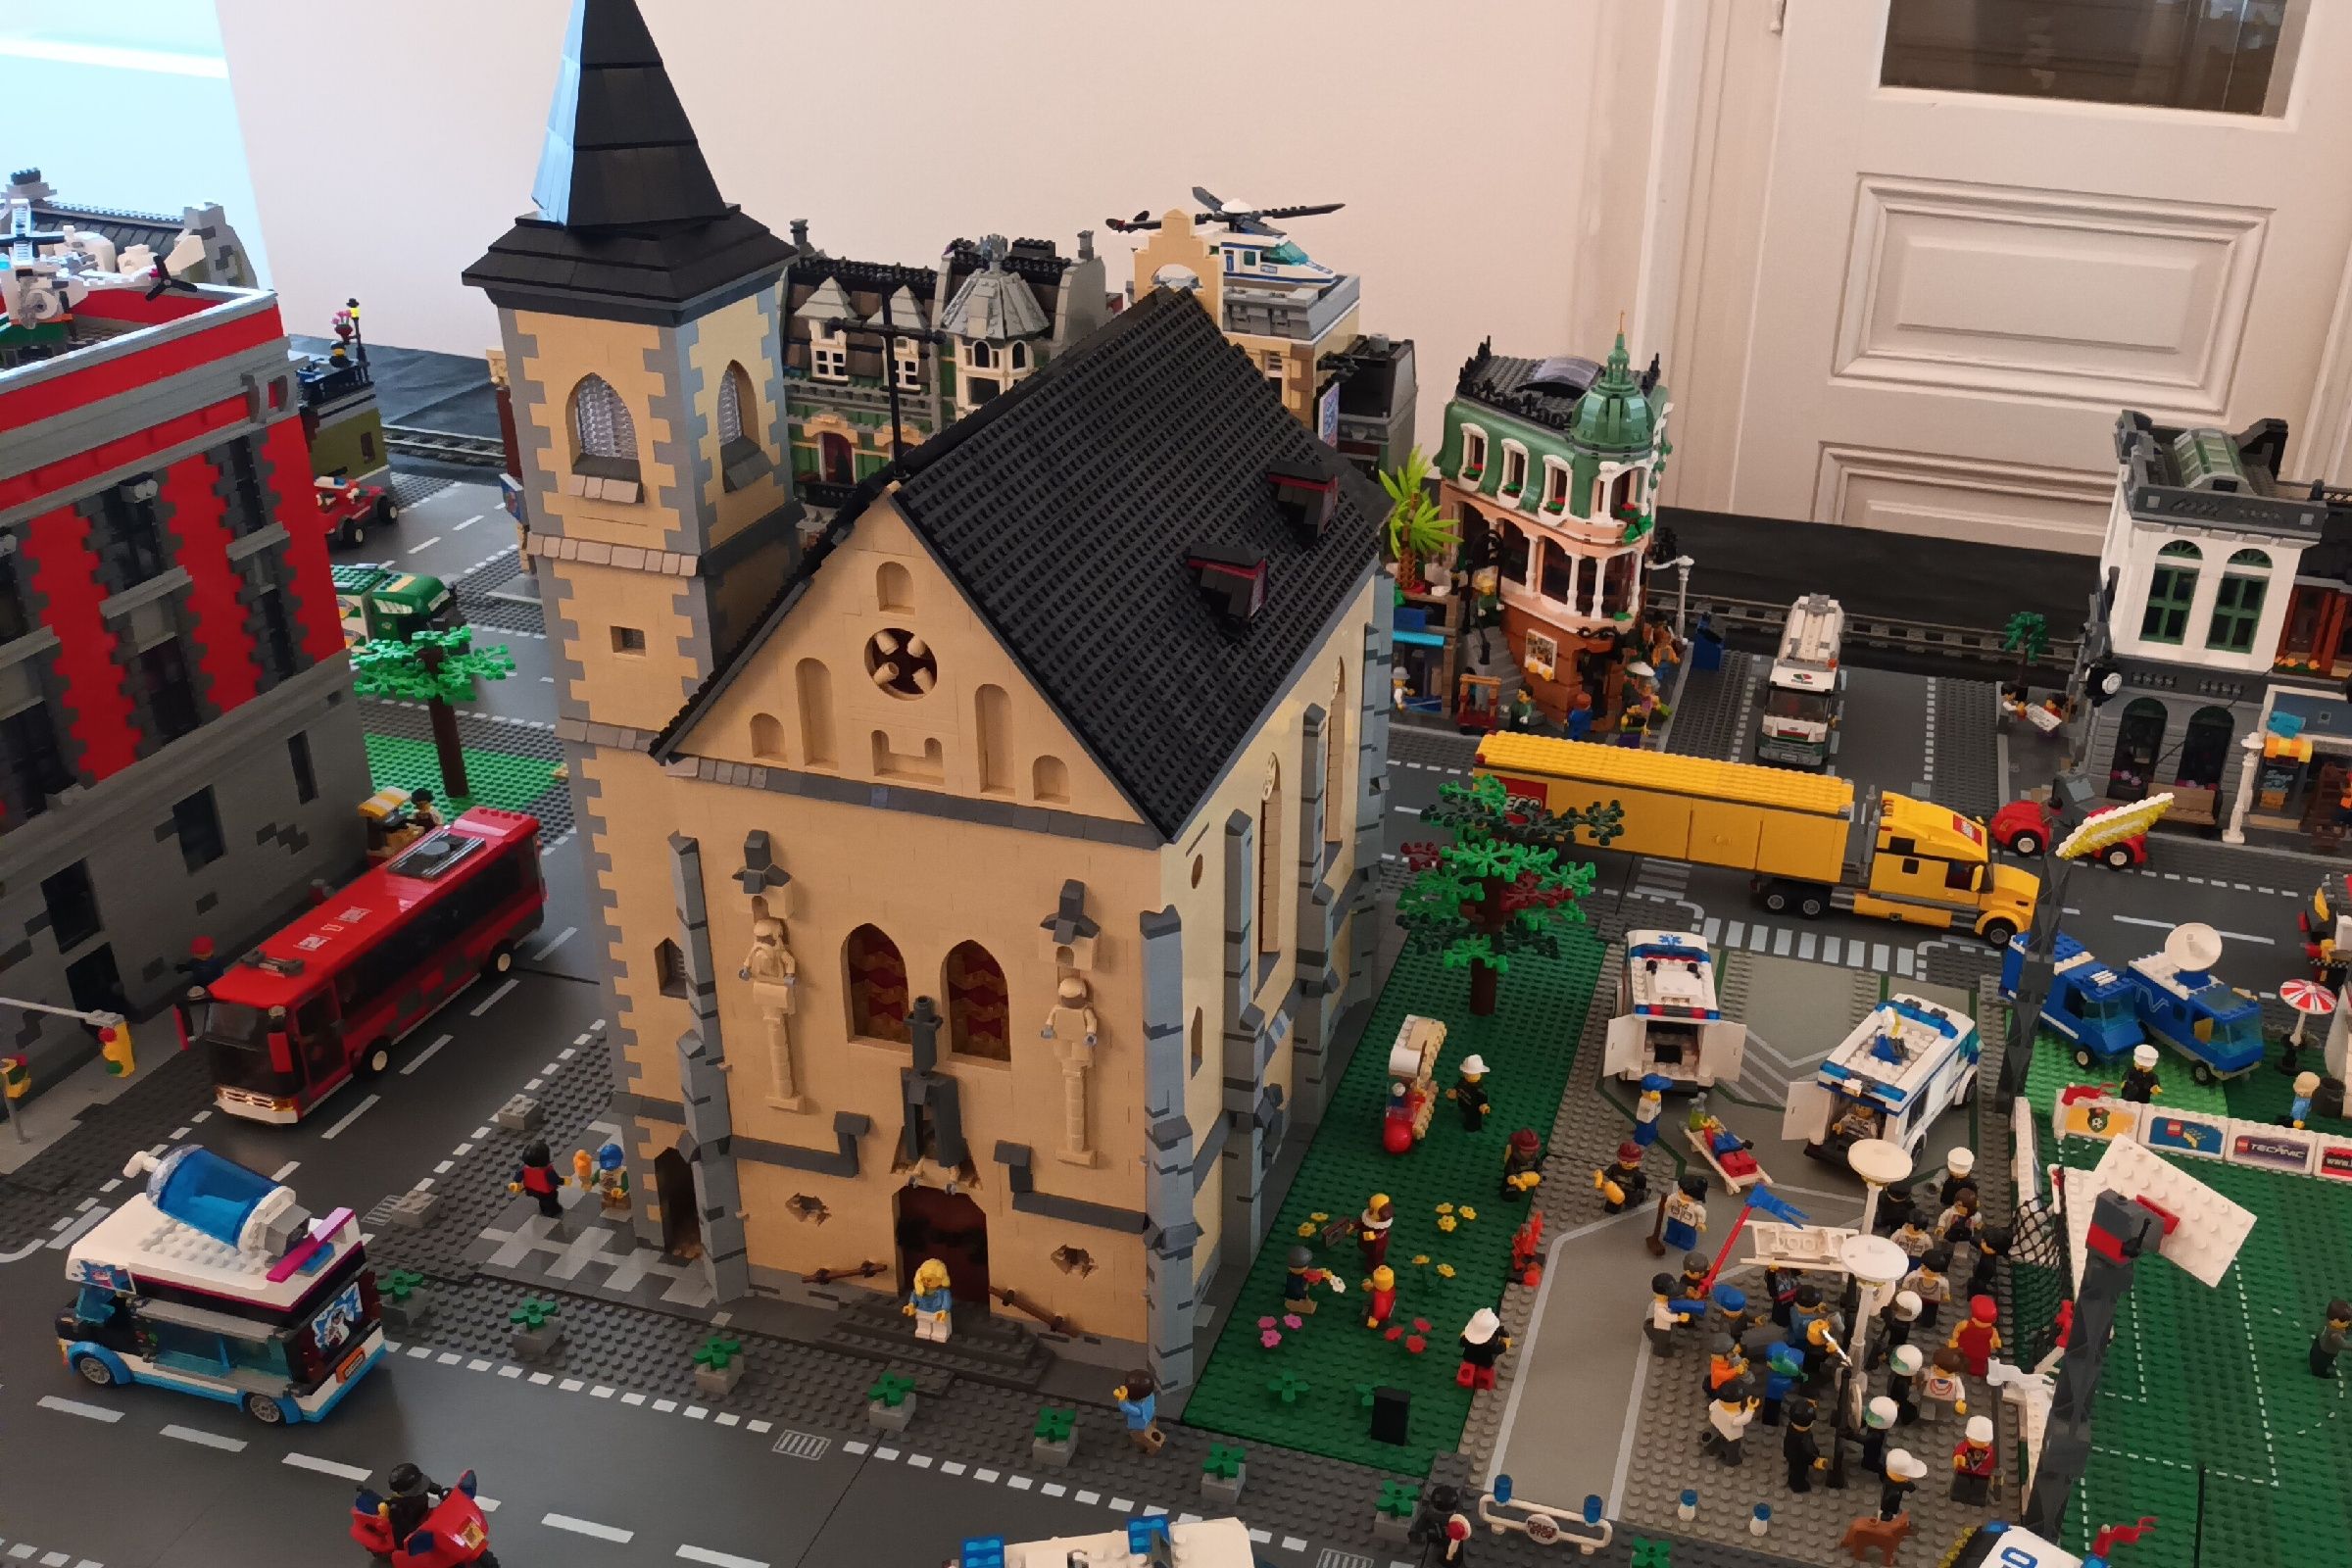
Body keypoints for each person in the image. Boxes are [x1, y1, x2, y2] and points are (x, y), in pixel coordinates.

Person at [380, 1463, 443, 1547]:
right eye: (417, 1487)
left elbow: (433, 1487)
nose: (422, 1487)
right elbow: (403, 1528)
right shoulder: (397, 1507)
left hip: (425, 1514)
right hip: (413, 1529)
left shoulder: (419, 1485)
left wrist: (443, 1492)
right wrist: (420, 1531)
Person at [1702, 1374, 1758, 1466]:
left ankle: (1719, 1451)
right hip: (1731, 1437)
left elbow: (1712, 1412)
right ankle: (1732, 1460)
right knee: (1732, 1449)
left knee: (1721, 1443)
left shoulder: (1716, 1405)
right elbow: (1745, 1419)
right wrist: (1750, 1408)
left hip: (1719, 1430)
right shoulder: (1733, 1415)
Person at [507, 1140, 565, 1219]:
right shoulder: (547, 1171)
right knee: (551, 1199)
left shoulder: (524, 1168)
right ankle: (551, 1211)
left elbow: (518, 1176)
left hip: (532, 1190)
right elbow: (555, 1180)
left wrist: (515, 1182)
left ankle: (543, 1208)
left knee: (541, 1200)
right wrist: (563, 1181)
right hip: (546, 1192)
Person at [1949, 1295, 2003, 1379]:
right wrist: (1996, 1345)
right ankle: (1977, 1372)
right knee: (1979, 1364)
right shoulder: (1992, 1331)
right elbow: (1996, 1341)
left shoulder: (1965, 1325)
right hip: (1982, 1352)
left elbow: (1956, 1332)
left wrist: (1954, 1342)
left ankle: (1963, 1368)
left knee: (1964, 1359)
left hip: (1964, 1348)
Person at [1456, 1308, 1510, 1390]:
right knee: (1492, 1356)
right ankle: (1482, 1377)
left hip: (1468, 1358)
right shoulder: (1491, 1346)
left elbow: (1461, 1343)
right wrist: (1506, 1337)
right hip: (1485, 1362)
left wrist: (1467, 1333)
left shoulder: (1466, 1338)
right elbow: (1502, 1348)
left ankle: (1467, 1376)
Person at [904, 1257, 954, 1343]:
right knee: (923, 1326)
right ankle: (924, 1331)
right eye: (924, 1279)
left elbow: (947, 1302)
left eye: (930, 1279)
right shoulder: (919, 1290)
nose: (926, 1282)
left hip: (938, 1313)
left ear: (941, 1278)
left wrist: (944, 1310)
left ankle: (940, 1334)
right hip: (922, 1311)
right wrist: (911, 1306)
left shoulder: (943, 1292)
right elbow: (913, 1300)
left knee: (939, 1328)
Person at [1114, 1370, 1164, 1453]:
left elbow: (1126, 1408)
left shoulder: (1138, 1407)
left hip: (1140, 1428)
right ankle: (1157, 1442)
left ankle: (1149, 1449)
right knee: (1152, 1433)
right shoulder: (1150, 1396)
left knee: (1140, 1439)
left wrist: (1122, 1400)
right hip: (1151, 1419)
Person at [1644, 1273, 1694, 1356]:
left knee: (1666, 1338)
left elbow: (1676, 1290)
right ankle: (1660, 1351)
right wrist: (1679, 1318)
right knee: (1663, 1339)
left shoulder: (1666, 1298)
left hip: (1668, 1324)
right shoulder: (1659, 1307)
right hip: (1662, 1328)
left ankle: (1665, 1346)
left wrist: (1686, 1289)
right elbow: (1667, 1317)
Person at [1950, 1415, 1997, 1505]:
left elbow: (1993, 1462)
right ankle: (1959, 1494)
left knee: (1980, 1486)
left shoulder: (1990, 1452)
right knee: (1962, 1483)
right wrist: (1958, 1459)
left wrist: (1993, 1472)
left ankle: (1978, 1498)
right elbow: (1958, 1452)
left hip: (1983, 1474)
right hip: (1964, 1470)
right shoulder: (1964, 1447)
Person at [1593, 1142, 1649, 1214]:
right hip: (1615, 1189)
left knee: (1632, 1202)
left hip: (1630, 1192)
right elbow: (1605, 1175)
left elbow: (1641, 1185)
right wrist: (1600, 1176)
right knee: (1611, 1207)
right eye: (1624, 1160)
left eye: (1631, 1162)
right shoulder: (1614, 1168)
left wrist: (1637, 1191)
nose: (1627, 1163)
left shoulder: (1637, 1175)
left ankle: (1642, 1195)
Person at [1783, 1397, 1826, 1493]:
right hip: (1799, 1459)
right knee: (1799, 1473)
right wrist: (1816, 1460)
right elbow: (1808, 1452)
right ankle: (1798, 1486)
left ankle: (1794, 1479)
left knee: (1794, 1468)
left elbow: (1799, 1408)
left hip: (1791, 1454)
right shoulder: (1804, 1438)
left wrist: (1808, 1404)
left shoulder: (1791, 1426)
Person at [1878, 1449, 1925, 1522]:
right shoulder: (1901, 1484)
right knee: (1891, 1505)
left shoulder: (1887, 1478)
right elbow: (1911, 1488)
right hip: (1890, 1503)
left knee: (1888, 1502)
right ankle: (1888, 1516)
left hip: (1889, 1500)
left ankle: (1887, 1514)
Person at [1447, 1056, 1492, 1132]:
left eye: (1474, 1074)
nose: (1470, 1076)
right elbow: (1457, 1088)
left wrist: (1484, 1107)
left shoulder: (1479, 1090)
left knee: (1473, 1119)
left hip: (1474, 1109)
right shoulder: (1462, 1082)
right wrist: (1453, 1092)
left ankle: (1473, 1126)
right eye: (1468, 1074)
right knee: (1466, 1111)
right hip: (1464, 1103)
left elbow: (1483, 1101)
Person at [2314, 1299, 2352, 1379]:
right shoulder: (2335, 1335)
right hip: (2323, 1355)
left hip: (2319, 1344)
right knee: (2322, 1370)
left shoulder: (2329, 1320)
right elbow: (2344, 1345)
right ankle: (2323, 1373)